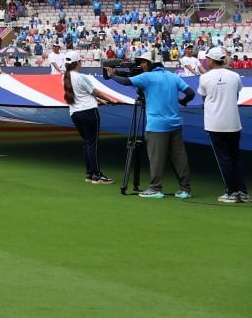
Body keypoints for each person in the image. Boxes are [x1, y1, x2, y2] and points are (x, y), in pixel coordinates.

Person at [110, 51, 195, 199]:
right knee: (179, 157)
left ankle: (156, 188)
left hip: (157, 125)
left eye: (143, 62)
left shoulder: (148, 77)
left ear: (150, 63)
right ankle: (185, 189)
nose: (141, 65)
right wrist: (183, 101)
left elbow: (125, 82)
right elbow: (191, 93)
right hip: (175, 123)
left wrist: (112, 75)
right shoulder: (173, 76)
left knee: (156, 158)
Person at [198, 46, 246, 203]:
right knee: (235, 157)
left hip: (215, 124)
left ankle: (231, 192)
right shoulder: (234, 76)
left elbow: (203, 99)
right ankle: (242, 191)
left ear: (211, 60)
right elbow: (237, 95)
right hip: (233, 122)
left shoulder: (205, 78)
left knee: (224, 158)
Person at [63, 53, 110, 184]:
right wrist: (109, 99)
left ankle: (90, 173)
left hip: (75, 113)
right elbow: (95, 92)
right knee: (92, 144)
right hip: (89, 112)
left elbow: (81, 95)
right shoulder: (81, 77)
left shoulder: (65, 77)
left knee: (87, 143)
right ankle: (97, 175)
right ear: (77, 62)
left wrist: (97, 100)